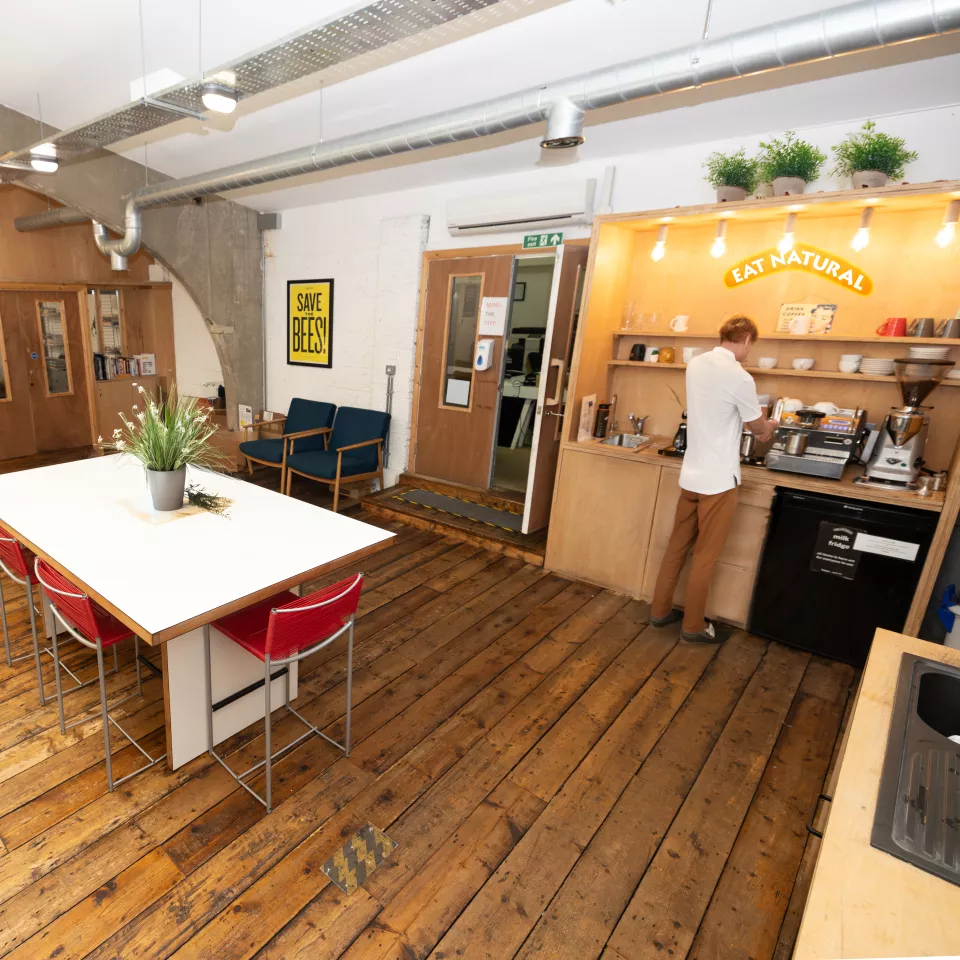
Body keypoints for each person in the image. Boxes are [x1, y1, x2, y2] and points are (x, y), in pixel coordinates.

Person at [650, 315, 779, 643]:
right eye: (752, 345)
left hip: (691, 475)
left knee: (676, 548)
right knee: (705, 557)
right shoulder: (740, 377)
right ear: (747, 338)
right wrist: (772, 425)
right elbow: (759, 431)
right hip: (719, 481)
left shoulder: (696, 364)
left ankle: (660, 611)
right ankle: (694, 627)